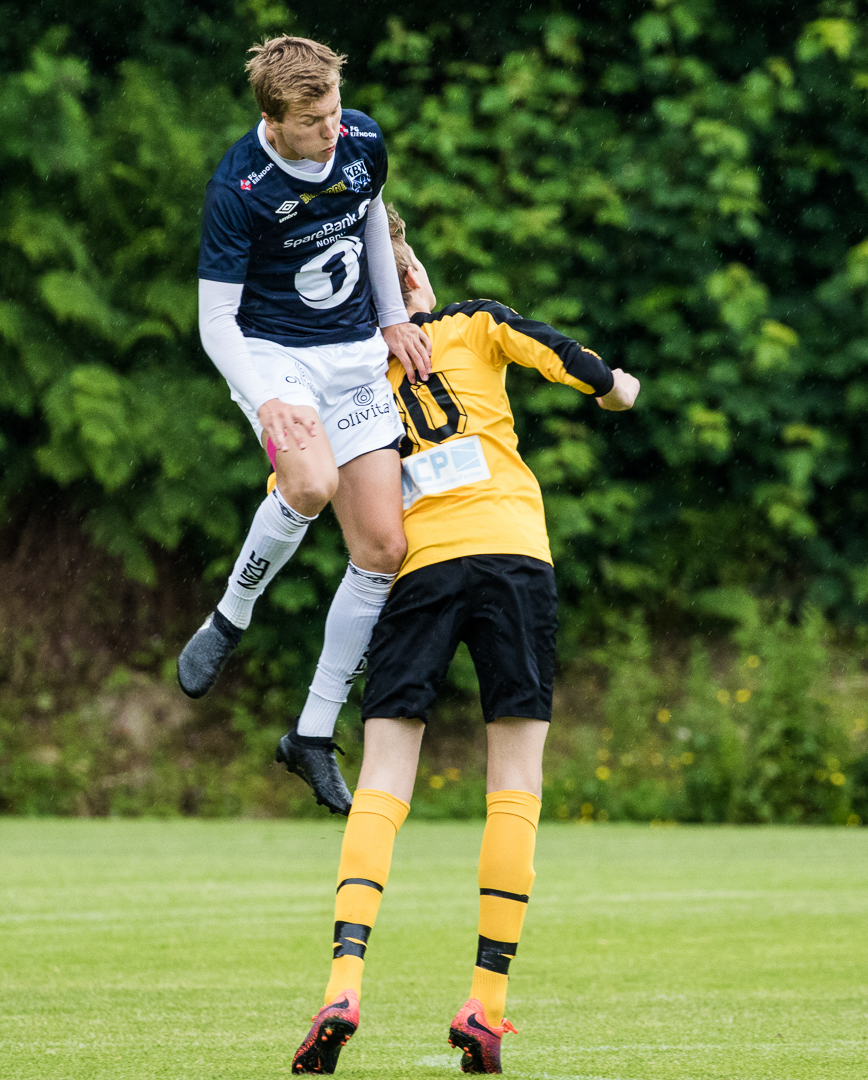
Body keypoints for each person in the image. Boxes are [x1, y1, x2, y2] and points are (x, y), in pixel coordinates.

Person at [291, 206, 640, 1074]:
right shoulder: (475, 323)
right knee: (514, 783)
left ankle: (343, 982)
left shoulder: (338, 382)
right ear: (412, 278)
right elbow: (589, 371)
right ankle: (485, 1004)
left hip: (419, 573)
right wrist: (620, 390)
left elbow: (303, 486)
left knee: (382, 782)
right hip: (515, 558)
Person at [182, 35, 434, 816]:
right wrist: (265, 398)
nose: (332, 130)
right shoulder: (239, 188)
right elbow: (216, 322)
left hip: (353, 354)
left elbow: (367, 225)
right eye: (313, 120)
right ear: (273, 117)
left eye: (333, 111)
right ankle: (232, 614)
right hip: (273, 355)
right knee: (310, 482)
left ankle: (313, 734)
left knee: (385, 548)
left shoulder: (361, 141)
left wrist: (393, 319)